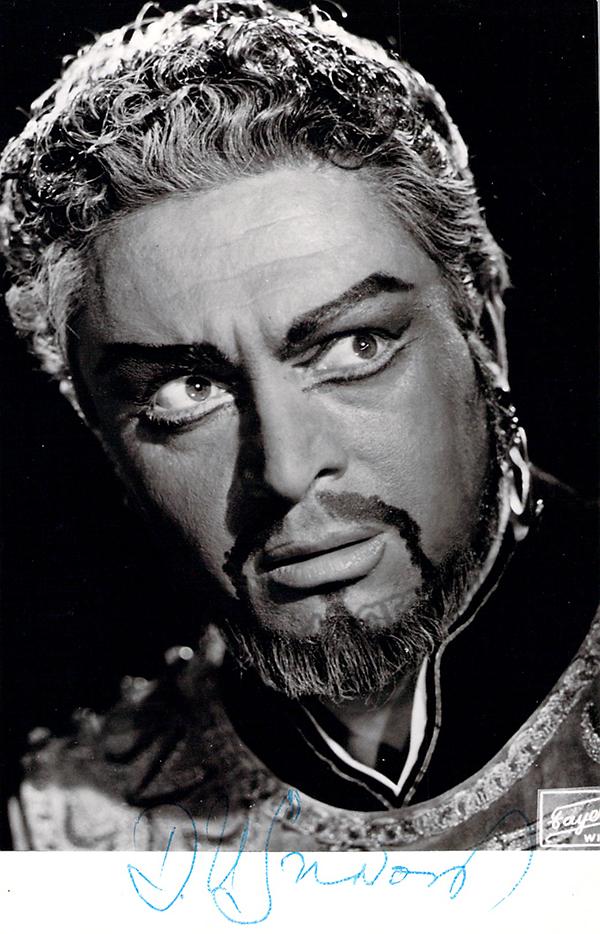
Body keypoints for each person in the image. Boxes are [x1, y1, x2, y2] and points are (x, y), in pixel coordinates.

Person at [1, 0, 597, 852]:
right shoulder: (76, 825)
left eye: (355, 347)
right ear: (99, 432)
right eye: (186, 390)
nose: (284, 468)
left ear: (483, 328)